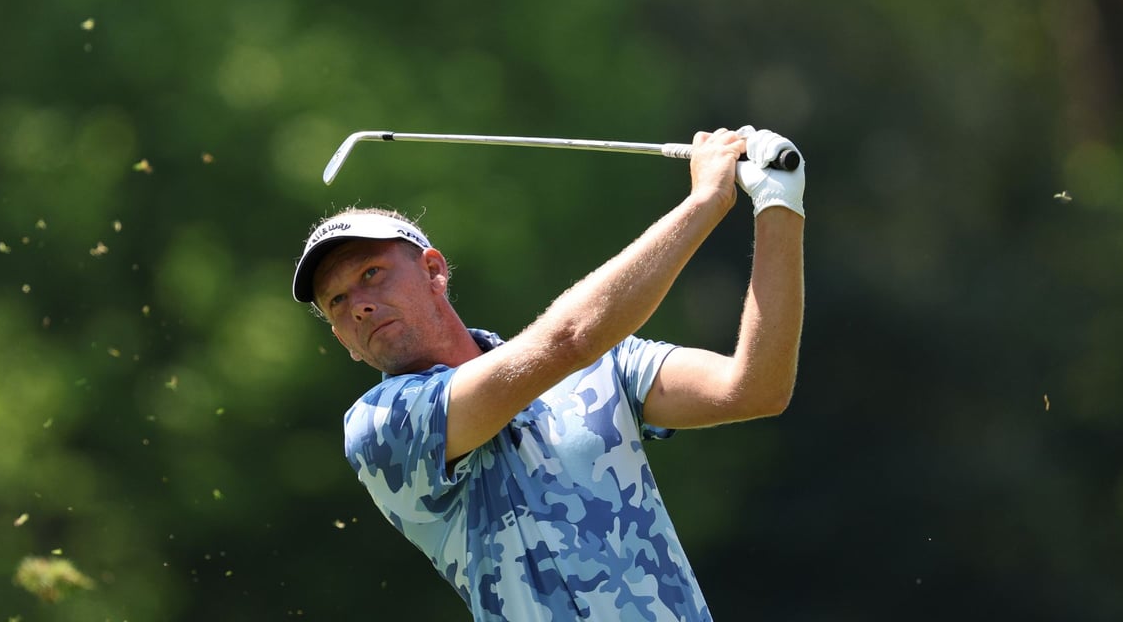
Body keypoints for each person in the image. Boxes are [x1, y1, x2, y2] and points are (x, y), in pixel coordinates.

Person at [291, 126, 805, 621]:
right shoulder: (380, 426)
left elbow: (755, 388)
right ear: (342, 340)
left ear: (433, 271)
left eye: (372, 274)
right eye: (337, 301)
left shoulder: (605, 365)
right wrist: (706, 201)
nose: (359, 305)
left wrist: (778, 205)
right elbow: (570, 339)